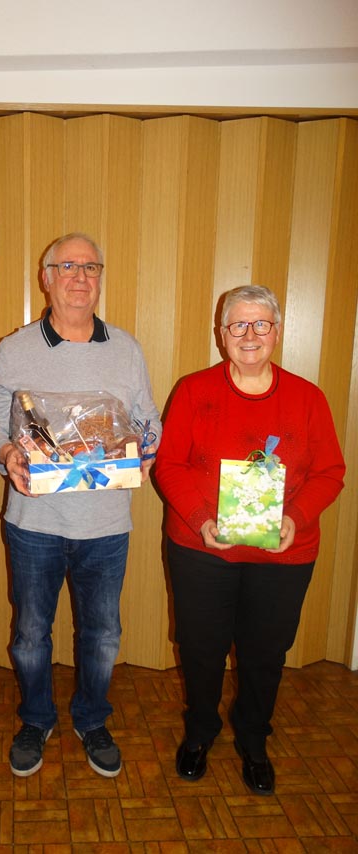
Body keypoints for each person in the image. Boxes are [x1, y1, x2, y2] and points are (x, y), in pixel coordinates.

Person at [0, 233, 161, 778]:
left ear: (100, 277)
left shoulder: (127, 350)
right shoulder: (15, 349)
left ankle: (91, 717)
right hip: (33, 523)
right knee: (31, 633)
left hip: (105, 526)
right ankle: (36, 718)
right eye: (68, 266)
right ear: (47, 278)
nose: (80, 277)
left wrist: (145, 451)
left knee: (103, 634)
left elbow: (147, 422)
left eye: (91, 267)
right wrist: (7, 452)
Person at [155, 285, 345, 796]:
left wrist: (297, 518)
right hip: (201, 549)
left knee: (265, 653)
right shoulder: (194, 391)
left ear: (277, 333)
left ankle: (254, 738)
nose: (250, 335)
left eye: (261, 324)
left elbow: (331, 472)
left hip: (284, 554)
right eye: (238, 325)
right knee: (199, 649)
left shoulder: (309, 397)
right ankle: (200, 732)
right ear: (221, 335)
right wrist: (199, 518)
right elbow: (168, 465)